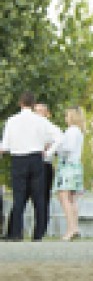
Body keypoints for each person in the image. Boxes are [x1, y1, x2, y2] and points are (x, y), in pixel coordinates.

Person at [0, 91, 60, 241]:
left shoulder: (12, 121)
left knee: (19, 197)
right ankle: (38, 234)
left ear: (20, 103)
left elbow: (5, 145)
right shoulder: (40, 121)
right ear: (33, 105)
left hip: (18, 158)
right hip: (36, 158)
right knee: (38, 198)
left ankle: (16, 233)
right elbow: (59, 136)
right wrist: (48, 153)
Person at [46, 106, 86, 241]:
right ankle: (75, 227)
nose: (65, 118)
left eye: (67, 115)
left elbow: (67, 148)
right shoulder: (78, 132)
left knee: (64, 197)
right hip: (76, 166)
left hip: (68, 167)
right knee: (71, 199)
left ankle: (71, 229)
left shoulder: (71, 131)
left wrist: (55, 148)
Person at [34, 102, 60, 234]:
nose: (38, 114)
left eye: (40, 111)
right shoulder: (30, 128)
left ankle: (41, 230)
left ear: (47, 114)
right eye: (36, 111)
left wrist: (49, 150)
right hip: (30, 163)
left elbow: (59, 141)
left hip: (45, 164)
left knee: (43, 198)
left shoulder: (52, 127)